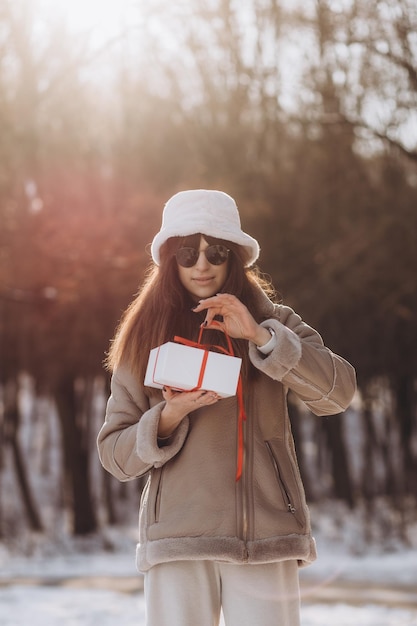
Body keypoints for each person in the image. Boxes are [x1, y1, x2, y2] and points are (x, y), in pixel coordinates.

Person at [97, 189, 356, 626]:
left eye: (215, 252)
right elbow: (114, 456)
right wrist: (169, 416)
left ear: (234, 256)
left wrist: (261, 337)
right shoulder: (143, 336)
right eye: (187, 252)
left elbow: (339, 394)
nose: (202, 264)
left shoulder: (275, 322)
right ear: (169, 258)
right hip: (178, 537)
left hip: (266, 536)